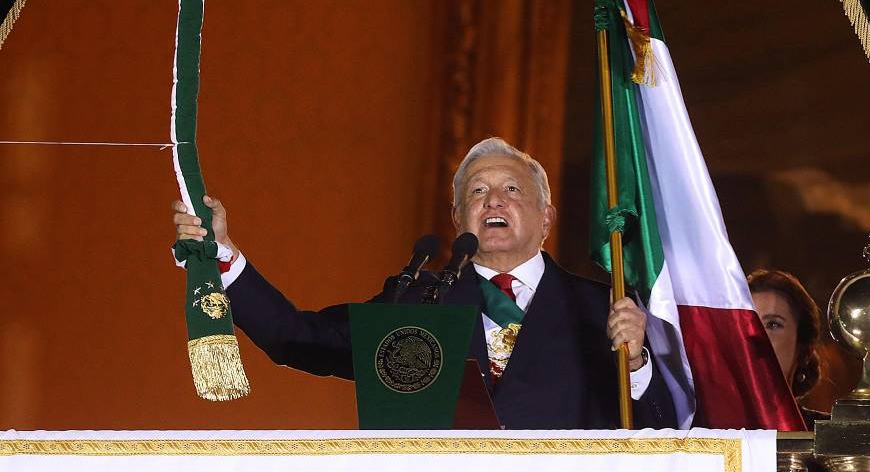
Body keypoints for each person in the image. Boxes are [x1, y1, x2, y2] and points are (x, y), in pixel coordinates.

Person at [172, 137, 677, 429]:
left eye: (511, 189)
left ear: (546, 217)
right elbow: (297, 338)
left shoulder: (604, 307)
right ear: (457, 218)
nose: (493, 200)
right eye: (477, 192)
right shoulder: (417, 298)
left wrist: (635, 364)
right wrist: (222, 253)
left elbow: (665, 432)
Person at [747, 268, 826, 429]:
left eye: (773, 324)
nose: (756, 336)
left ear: (802, 345)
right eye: (747, 324)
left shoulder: (829, 436)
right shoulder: (704, 433)